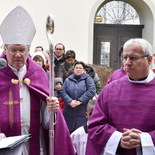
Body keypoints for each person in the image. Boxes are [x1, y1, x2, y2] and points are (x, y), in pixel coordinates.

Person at [0, 6, 75, 155]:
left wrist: (51, 109)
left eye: (22, 50)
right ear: (5, 49)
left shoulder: (38, 74)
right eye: (13, 50)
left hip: (34, 145)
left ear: (28, 50)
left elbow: (48, 123)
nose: (17, 55)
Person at [86, 38, 155, 155]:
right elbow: (95, 125)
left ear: (149, 60)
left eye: (133, 58)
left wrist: (145, 139)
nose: (127, 63)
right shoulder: (110, 90)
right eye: (124, 57)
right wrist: (118, 139)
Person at [61, 61, 96, 133]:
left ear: (84, 70)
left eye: (80, 68)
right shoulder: (68, 80)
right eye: (76, 68)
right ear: (74, 69)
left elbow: (91, 90)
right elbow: (63, 92)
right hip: (69, 113)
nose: (78, 69)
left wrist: (80, 101)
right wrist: (70, 101)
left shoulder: (88, 79)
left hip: (82, 113)